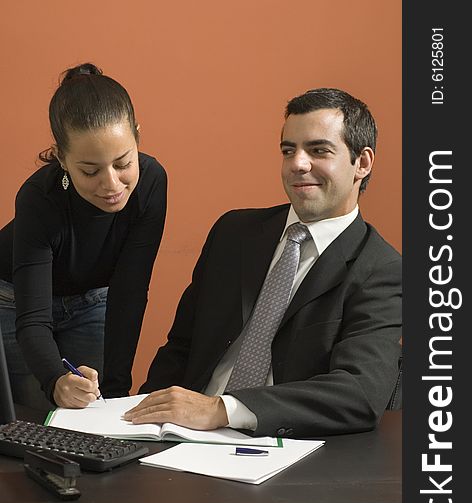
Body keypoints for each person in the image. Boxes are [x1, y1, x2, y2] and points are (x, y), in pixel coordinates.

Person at [125, 88, 401, 439]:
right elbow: (180, 347)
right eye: (289, 150)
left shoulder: (381, 269)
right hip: (180, 436)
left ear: (362, 162)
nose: (298, 164)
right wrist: (142, 420)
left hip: (280, 448)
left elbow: (359, 393)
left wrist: (222, 409)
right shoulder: (233, 233)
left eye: (318, 150)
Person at [0, 63, 167, 410]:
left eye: (123, 163)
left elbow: (130, 292)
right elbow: (33, 318)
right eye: (90, 170)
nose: (111, 185)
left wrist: (118, 391)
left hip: (91, 298)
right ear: (62, 157)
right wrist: (54, 380)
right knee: (36, 419)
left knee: (95, 408)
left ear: (137, 136)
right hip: (13, 299)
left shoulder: (151, 181)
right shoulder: (38, 198)